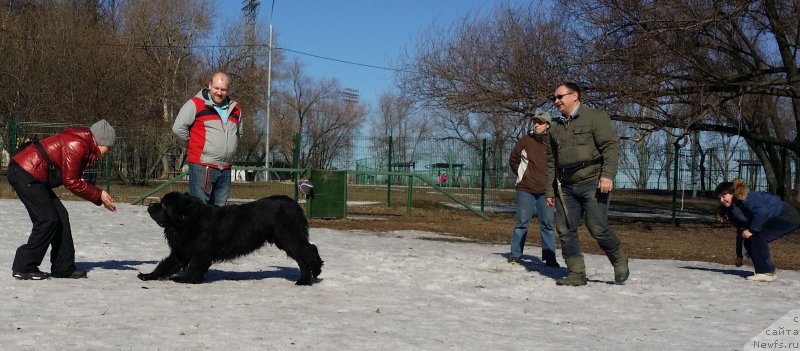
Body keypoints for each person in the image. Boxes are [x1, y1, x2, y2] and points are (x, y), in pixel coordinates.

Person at [8, 119, 118, 280]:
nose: (109, 150)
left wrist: (97, 195)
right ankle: (24, 266)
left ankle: (63, 267)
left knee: (60, 217)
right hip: (25, 172)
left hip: (33, 175)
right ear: (100, 142)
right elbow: (71, 182)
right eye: (108, 147)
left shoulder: (84, 146)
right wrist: (99, 194)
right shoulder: (77, 145)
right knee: (47, 219)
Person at [544, 82, 629, 286]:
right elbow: (551, 161)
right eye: (554, 98)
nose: (556, 101)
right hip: (566, 186)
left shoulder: (595, 118)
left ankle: (619, 259)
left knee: (597, 227)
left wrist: (607, 175)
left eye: (560, 97)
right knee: (565, 229)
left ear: (575, 96)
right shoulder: (554, 128)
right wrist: (549, 189)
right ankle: (576, 273)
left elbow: (610, 146)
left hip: (593, 182)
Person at [173, 72, 242, 206]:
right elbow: (178, 128)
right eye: (216, 88)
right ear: (210, 85)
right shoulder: (195, 104)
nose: (219, 92)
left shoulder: (236, 109)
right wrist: (192, 145)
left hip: (225, 168)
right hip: (202, 167)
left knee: (219, 213)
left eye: (223, 90)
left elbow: (239, 134)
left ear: (228, 90)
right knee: (200, 211)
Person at [715, 179, 800, 282]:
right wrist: (739, 255)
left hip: (786, 216)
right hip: (770, 219)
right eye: (719, 198)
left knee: (757, 235)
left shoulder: (747, 197)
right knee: (749, 238)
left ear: (732, 193)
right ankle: (767, 270)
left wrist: (752, 230)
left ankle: (765, 272)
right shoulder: (732, 211)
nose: (721, 201)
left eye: (724, 196)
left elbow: (761, 212)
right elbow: (740, 232)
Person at [508, 111, 559, 267]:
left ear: (548, 125)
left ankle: (550, 257)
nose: (536, 124)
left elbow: (559, 164)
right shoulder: (525, 140)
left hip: (547, 191)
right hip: (525, 189)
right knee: (522, 223)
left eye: (540, 122)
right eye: (535, 122)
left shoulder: (555, 142)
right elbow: (513, 160)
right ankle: (515, 255)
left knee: (548, 225)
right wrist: (524, 175)